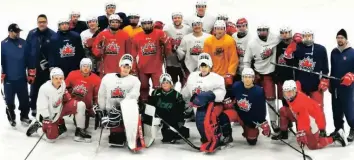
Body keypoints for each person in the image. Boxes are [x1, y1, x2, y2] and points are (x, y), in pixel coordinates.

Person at [181, 53, 232, 153]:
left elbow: (221, 93)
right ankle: (206, 138)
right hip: (198, 106)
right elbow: (187, 90)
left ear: (210, 66)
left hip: (213, 104)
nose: (203, 68)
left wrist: (208, 96)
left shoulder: (217, 78)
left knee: (210, 119)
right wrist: (180, 98)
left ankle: (223, 135)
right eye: (202, 66)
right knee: (201, 126)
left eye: (206, 66)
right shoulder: (193, 77)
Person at [276, 80, 347, 149]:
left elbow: (304, 121)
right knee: (283, 110)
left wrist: (302, 133)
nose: (288, 95)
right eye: (285, 92)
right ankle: (283, 133)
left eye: (290, 92)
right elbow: (298, 83)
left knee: (313, 146)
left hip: (312, 121)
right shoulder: (294, 94)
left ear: (295, 91)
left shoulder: (300, 104)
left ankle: (336, 136)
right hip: (299, 115)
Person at [26, 68, 91, 142]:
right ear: (51, 78)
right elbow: (41, 106)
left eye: (61, 78)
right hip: (49, 115)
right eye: (56, 78)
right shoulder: (44, 89)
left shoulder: (62, 83)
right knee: (51, 139)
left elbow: (64, 92)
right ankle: (37, 127)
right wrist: (46, 118)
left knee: (80, 105)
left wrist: (68, 97)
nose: (58, 80)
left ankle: (79, 131)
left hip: (59, 109)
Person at [96, 54, 142, 150]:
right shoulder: (108, 78)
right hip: (112, 112)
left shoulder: (135, 80)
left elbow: (134, 95)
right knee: (116, 141)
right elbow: (102, 94)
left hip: (127, 111)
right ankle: (118, 131)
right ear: (120, 66)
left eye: (128, 67)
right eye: (124, 66)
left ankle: (133, 133)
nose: (126, 69)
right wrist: (102, 108)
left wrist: (121, 106)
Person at [243, 24, 281, 132]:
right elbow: (247, 60)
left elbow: (285, 38)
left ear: (268, 30)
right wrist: (247, 74)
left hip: (269, 75)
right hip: (257, 74)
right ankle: (256, 121)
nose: (262, 33)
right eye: (260, 30)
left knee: (271, 100)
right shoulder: (252, 43)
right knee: (254, 99)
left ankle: (273, 121)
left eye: (265, 30)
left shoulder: (275, 38)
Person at [283, 29, 329, 108]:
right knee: (300, 109)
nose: (307, 38)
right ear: (302, 37)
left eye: (309, 36)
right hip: (300, 85)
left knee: (318, 109)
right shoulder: (298, 47)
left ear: (312, 36)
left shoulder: (320, 49)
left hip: (316, 85)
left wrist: (324, 79)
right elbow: (288, 61)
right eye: (305, 36)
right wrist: (292, 44)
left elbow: (325, 67)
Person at [131, 17, 172, 102]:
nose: (147, 25)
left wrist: (165, 43)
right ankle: (144, 104)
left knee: (159, 87)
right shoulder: (136, 37)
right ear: (141, 25)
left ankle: (158, 104)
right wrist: (134, 68)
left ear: (152, 24)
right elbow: (133, 55)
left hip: (156, 67)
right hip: (142, 67)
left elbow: (168, 50)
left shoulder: (159, 33)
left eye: (148, 23)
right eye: (144, 24)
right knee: (143, 87)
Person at [270, 26, 301, 139]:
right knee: (284, 103)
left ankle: (300, 129)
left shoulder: (296, 44)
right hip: (282, 78)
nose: (284, 35)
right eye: (282, 33)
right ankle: (286, 127)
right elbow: (276, 59)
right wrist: (276, 73)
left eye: (287, 33)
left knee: (295, 104)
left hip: (293, 78)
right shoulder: (278, 45)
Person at [226, 68, 271, 145]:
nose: (247, 79)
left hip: (250, 118)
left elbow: (261, 110)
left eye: (249, 77)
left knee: (252, 140)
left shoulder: (258, 91)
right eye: (245, 77)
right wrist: (228, 100)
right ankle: (227, 135)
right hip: (238, 113)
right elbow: (229, 94)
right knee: (224, 116)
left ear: (253, 78)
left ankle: (250, 131)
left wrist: (263, 122)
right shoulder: (237, 85)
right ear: (242, 78)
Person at [1, 23, 34, 126]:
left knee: (24, 100)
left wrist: (31, 74)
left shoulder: (24, 43)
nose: (18, 33)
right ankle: (11, 117)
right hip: (8, 79)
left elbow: (29, 59)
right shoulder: (3, 44)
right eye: (16, 31)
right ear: (10, 32)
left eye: (19, 31)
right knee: (9, 101)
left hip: (21, 78)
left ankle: (24, 116)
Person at [25, 14, 56, 117]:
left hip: (47, 69)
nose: (41, 24)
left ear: (47, 22)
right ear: (37, 23)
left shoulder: (53, 34)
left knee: (48, 89)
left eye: (43, 22)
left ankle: (47, 110)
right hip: (34, 67)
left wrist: (49, 63)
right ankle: (33, 109)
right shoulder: (31, 34)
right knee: (34, 89)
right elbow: (27, 50)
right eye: (40, 22)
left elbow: (54, 52)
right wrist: (28, 66)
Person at [147, 73, 189, 143]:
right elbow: (150, 105)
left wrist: (180, 120)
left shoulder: (177, 95)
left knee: (167, 137)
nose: (165, 84)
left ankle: (178, 132)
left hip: (170, 118)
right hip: (158, 116)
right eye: (163, 83)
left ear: (171, 83)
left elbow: (180, 109)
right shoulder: (155, 93)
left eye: (167, 82)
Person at [329, 29, 354, 142]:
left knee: (349, 110)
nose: (339, 39)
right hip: (335, 86)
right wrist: (330, 82)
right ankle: (339, 130)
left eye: (341, 38)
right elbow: (332, 69)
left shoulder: (352, 53)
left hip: (348, 87)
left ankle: (353, 129)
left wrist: (351, 76)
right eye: (338, 37)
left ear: (346, 39)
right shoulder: (333, 52)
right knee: (336, 110)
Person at [203, 20, 238, 97]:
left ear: (225, 29)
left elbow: (233, 59)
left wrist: (230, 74)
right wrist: (207, 72)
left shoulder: (230, 41)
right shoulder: (208, 41)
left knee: (224, 95)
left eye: (221, 29)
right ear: (214, 29)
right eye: (217, 28)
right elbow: (206, 59)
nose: (219, 31)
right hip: (212, 73)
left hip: (225, 74)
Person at [65, 58, 101, 129]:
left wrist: (96, 107)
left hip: (87, 107)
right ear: (80, 66)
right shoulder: (72, 74)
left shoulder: (97, 79)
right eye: (84, 66)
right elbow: (64, 88)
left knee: (83, 127)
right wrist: (67, 98)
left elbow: (97, 96)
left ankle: (84, 115)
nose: (85, 68)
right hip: (73, 103)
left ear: (91, 67)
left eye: (88, 66)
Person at [163, 12, 192, 86]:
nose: (177, 19)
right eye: (175, 18)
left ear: (182, 19)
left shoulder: (188, 29)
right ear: (172, 19)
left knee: (185, 82)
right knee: (172, 82)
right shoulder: (167, 28)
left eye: (179, 18)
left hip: (184, 61)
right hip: (171, 60)